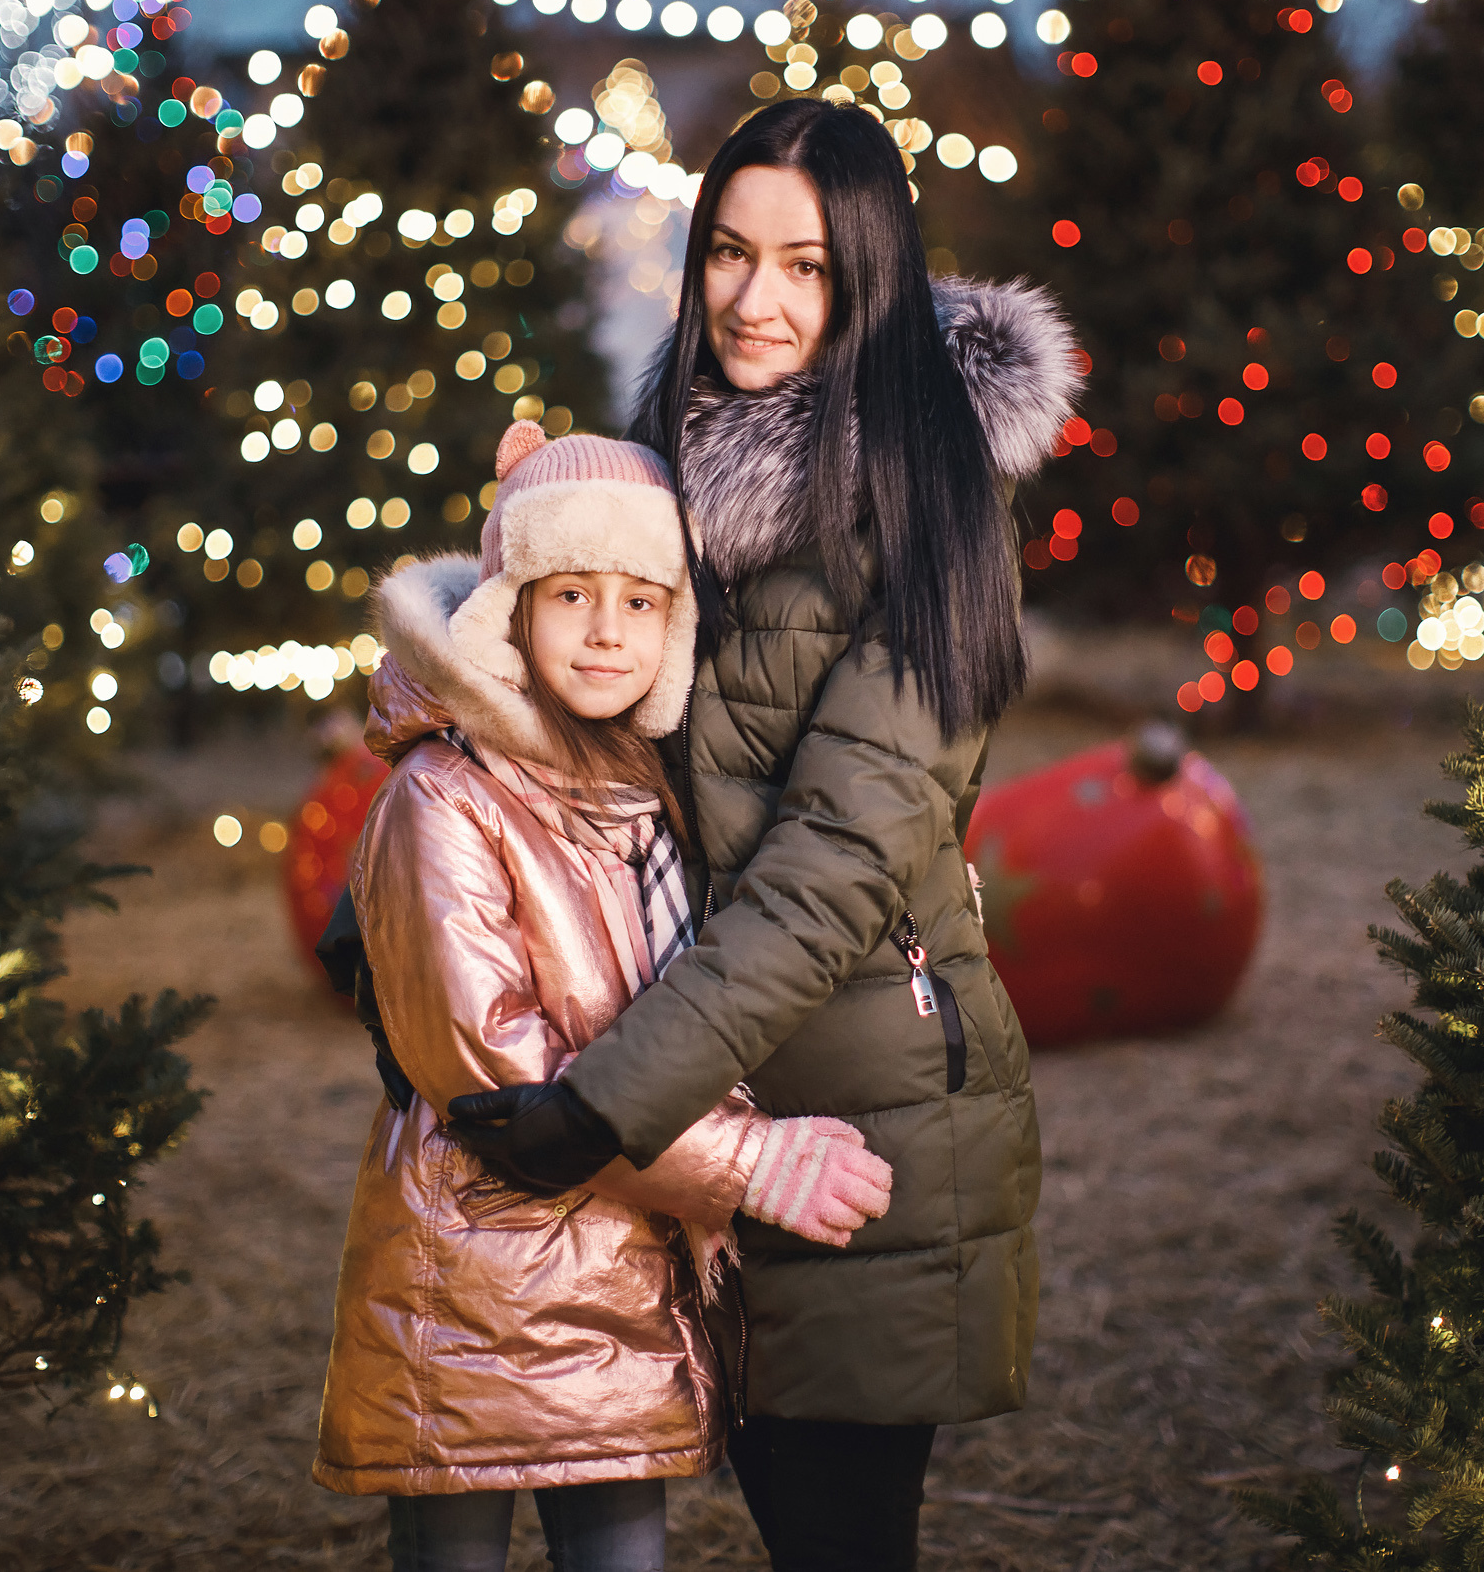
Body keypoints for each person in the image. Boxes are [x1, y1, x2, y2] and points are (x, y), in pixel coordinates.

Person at [448, 98, 1075, 1569]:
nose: (756, 297)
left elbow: (831, 872)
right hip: (708, 1114)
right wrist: (430, 878)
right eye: (730, 252)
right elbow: (571, 707)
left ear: (865, 279)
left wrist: (605, 1105)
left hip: (866, 1115)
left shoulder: (934, 509)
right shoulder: (669, 471)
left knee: (839, 1537)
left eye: (805, 264)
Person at [312, 422, 897, 1572]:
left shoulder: (652, 786)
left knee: (620, 1547)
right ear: (508, 607)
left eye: (639, 600)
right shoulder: (444, 796)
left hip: (628, 1278)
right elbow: (495, 1069)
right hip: (475, 1278)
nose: (604, 630)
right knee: (454, 1543)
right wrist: (749, 1166)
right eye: (571, 591)